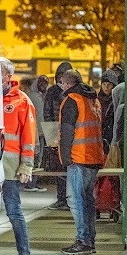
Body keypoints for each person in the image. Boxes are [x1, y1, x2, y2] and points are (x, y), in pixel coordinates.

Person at [0, 58, 36, 255]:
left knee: (13, 212)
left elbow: (29, 137)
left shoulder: (22, 102)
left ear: (8, 76)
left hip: (11, 168)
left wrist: (27, 166)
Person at [58, 69, 105, 255]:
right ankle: (89, 239)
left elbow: (67, 131)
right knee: (87, 201)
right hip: (94, 156)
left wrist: (65, 158)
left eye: (62, 83)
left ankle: (83, 240)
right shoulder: (93, 99)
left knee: (75, 200)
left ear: (67, 83)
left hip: (79, 157)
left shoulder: (72, 100)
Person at [43, 61, 73, 210]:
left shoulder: (74, 91)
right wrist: (51, 132)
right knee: (59, 169)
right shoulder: (52, 92)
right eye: (60, 76)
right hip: (56, 133)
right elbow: (47, 112)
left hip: (71, 133)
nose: (61, 80)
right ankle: (61, 198)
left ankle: (70, 198)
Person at [20, 76, 46, 192]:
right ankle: (31, 183)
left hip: (34, 131)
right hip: (40, 131)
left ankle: (30, 183)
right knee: (37, 158)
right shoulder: (38, 96)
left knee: (34, 157)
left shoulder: (28, 97)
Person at [98, 69, 120, 153]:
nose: (106, 87)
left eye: (109, 84)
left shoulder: (117, 101)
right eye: (104, 84)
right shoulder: (97, 100)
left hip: (113, 139)